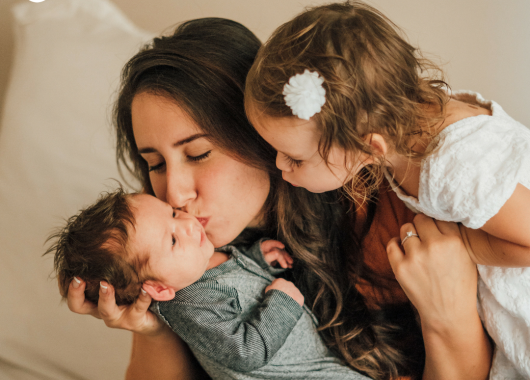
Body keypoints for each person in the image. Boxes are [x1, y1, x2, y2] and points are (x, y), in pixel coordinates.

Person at [63, 17, 492, 380]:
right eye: (155, 164)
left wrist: (448, 318)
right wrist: (152, 326)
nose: (174, 192)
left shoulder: (391, 213)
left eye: (198, 153)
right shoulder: (183, 261)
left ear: (260, 132)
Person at [244, 1, 527, 375]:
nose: (279, 166)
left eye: (294, 158)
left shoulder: (452, 164)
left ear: (368, 148)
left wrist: (464, 246)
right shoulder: (404, 128)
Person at [48, 188, 369, 379]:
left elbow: (233, 280)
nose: (187, 223)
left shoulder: (198, 266)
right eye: (173, 240)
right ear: (160, 290)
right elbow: (246, 351)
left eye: (173, 213)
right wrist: (282, 302)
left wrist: (257, 257)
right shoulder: (190, 304)